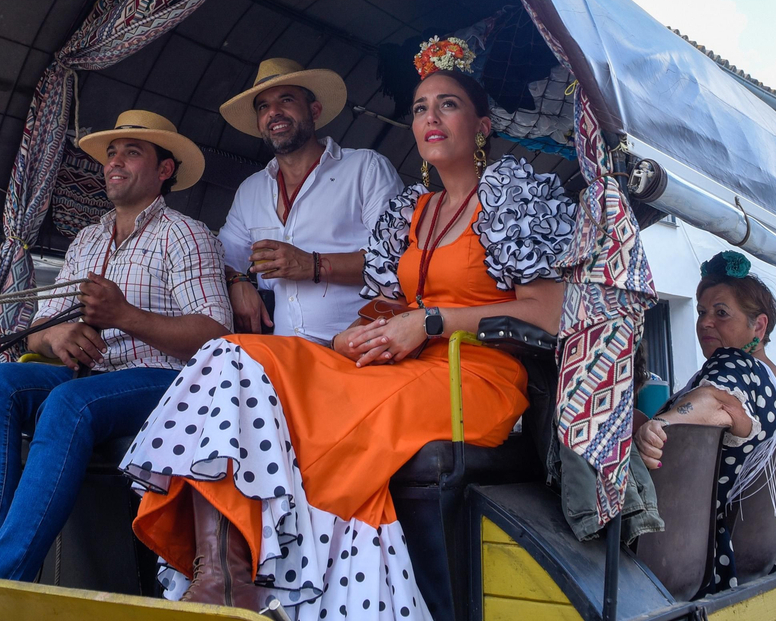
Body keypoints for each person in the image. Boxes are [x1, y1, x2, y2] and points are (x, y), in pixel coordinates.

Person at [120, 38, 574, 619]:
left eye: (448, 105)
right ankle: (226, 576)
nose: (430, 118)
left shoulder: (517, 194)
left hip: (478, 377)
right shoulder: (410, 209)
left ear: (481, 123)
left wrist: (432, 321)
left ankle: (288, 584)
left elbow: (549, 313)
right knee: (233, 356)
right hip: (404, 364)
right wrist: (352, 336)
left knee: (331, 423)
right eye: (418, 108)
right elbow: (385, 306)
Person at [0, 111, 233, 580]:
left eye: (132, 152)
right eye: (111, 153)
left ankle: (0, 578)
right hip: (92, 376)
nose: (115, 162)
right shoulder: (87, 240)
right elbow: (38, 328)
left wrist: (125, 317)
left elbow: (215, 336)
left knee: (68, 402)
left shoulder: (186, 234)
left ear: (165, 169)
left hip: (167, 383)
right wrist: (55, 336)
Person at [633, 251, 776, 592]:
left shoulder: (735, 363)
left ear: (759, 325)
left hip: (695, 552)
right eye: (701, 312)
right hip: (754, 550)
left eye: (721, 313)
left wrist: (662, 424)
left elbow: (717, 402)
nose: (705, 322)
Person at [217, 58, 403, 340]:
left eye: (286, 99)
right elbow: (223, 255)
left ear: (314, 111)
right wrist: (237, 281)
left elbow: (399, 259)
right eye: (263, 106)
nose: (274, 113)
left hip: (365, 346)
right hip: (288, 357)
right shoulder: (251, 190)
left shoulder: (366, 168)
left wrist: (313, 265)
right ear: (259, 124)